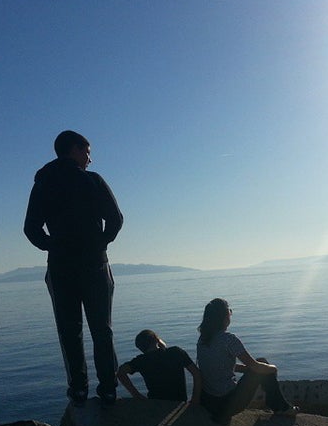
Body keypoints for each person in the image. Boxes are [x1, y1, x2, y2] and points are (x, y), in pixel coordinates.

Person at [23, 130, 123, 406]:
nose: (90, 159)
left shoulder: (43, 183)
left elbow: (30, 228)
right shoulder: (92, 181)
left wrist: (52, 246)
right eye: (87, 152)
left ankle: (79, 389)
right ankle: (109, 389)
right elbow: (115, 219)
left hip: (61, 267)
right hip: (95, 266)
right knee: (102, 330)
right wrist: (99, 243)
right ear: (74, 150)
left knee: (70, 331)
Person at [196, 298, 297, 424]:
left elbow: (218, 365)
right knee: (264, 365)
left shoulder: (203, 340)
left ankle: (277, 405)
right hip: (227, 403)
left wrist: (245, 368)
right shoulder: (229, 340)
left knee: (260, 364)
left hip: (209, 402)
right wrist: (273, 368)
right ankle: (281, 408)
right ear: (224, 318)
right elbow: (256, 367)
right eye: (229, 313)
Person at [117, 329, 201, 402]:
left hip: (155, 401)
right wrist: (195, 399)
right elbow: (196, 374)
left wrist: (136, 395)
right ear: (157, 340)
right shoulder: (176, 352)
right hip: (178, 401)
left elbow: (120, 373)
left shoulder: (141, 361)